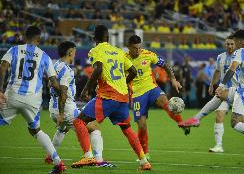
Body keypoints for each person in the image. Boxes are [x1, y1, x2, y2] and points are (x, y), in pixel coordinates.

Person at [180, 30, 244, 161]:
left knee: (235, 124)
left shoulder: (240, 52)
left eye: (234, 41)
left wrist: (222, 84)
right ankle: (196, 119)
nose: (233, 44)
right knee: (220, 95)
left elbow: (232, 68)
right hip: (242, 89)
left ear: (239, 41)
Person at [72, 25, 151, 170]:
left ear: (94, 38)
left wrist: (86, 89)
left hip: (108, 96)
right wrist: (122, 83)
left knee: (79, 121)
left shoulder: (96, 50)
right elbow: (133, 71)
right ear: (108, 37)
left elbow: (99, 69)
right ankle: (144, 161)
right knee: (127, 128)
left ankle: (88, 157)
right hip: (122, 98)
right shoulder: (119, 51)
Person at [0, 26, 65, 174]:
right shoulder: (44, 56)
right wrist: (62, 102)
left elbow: (3, 67)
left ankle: (58, 162)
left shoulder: (14, 49)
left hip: (13, 95)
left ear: (24, 37)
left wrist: (0, 90)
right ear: (39, 39)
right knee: (35, 129)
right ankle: (58, 162)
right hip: (33, 100)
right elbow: (54, 83)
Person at [45, 41, 114, 167]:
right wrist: (61, 113)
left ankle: (50, 156)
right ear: (70, 52)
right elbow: (63, 93)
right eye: (74, 52)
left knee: (63, 129)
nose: (75, 55)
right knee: (94, 128)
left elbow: (50, 84)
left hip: (52, 108)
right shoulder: (67, 70)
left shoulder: (55, 66)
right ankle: (96, 159)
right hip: (65, 109)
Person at [126, 35, 187, 161]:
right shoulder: (123, 59)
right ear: (128, 47)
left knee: (165, 101)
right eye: (134, 48)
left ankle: (181, 122)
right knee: (142, 125)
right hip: (137, 94)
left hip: (152, 88)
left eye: (139, 48)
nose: (137, 51)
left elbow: (165, 65)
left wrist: (174, 80)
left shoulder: (148, 54)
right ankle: (145, 153)